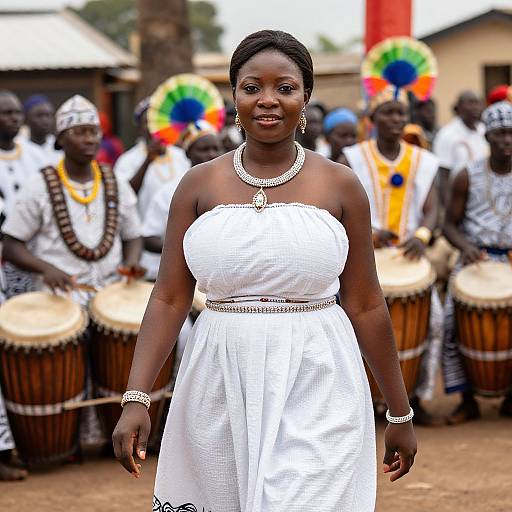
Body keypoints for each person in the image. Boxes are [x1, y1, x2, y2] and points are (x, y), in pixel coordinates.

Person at [112, 30, 416, 512]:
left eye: (285, 88)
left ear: (305, 97)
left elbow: (365, 302)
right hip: (218, 378)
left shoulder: (341, 185)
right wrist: (137, 396)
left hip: (320, 378)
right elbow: (169, 298)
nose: (268, 100)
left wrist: (400, 412)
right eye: (252, 87)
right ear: (233, 97)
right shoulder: (197, 184)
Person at [343, 87, 443, 426]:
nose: (396, 119)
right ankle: (360, 400)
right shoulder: (351, 157)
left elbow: (432, 209)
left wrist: (422, 235)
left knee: (436, 322)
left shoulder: (423, 160)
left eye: (401, 113)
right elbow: (337, 208)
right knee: (349, 327)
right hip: (361, 260)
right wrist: (365, 233)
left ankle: (416, 397)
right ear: (371, 120)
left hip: (409, 259)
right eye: (387, 112)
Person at [2, 94, 144, 305]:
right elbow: (12, 246)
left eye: (94, 132)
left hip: (111, 293)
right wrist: (47, 269)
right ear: (60, 139)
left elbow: (132, 236)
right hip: (59, 296)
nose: (89, 139)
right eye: (79, 132)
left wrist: (131, 262)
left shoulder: (115, 182)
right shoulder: (39, 185)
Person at [442, 101, 512, 423]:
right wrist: (467, 248)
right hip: (475, 260)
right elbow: (449, 225)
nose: (506, 141)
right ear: (487, 137)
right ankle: (466, 399)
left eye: (511, 134)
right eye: (500, 134)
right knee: (449, 325)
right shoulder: (466, 175)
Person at [142, 121, 223, 279]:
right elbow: (148, 238)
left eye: (216, 149)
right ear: (187, 153)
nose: (212, 154)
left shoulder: (230, 189)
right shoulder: (169, 192)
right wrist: (190, 249)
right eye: (204, 149)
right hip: (176, 276)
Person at [114, 98, 190, 217]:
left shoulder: (180, 156)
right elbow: (124, 197)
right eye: (148, 121)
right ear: (139, 128)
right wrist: (148, 160)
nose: (154, 126)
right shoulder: (127, 160)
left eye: (158, 120)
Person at [433, 91, 487, 203]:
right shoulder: (447, 134)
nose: (475, 107)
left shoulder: (484, 131)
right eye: (470, 103)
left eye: (478, 103)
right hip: (458, 200)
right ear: (458, 108)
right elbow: (443, 176)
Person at [20, 94, 62, 166]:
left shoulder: (60, 146)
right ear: (26, 118)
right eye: (39, 115)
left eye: (49, 115)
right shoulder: (18, 146)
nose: (45, 120)